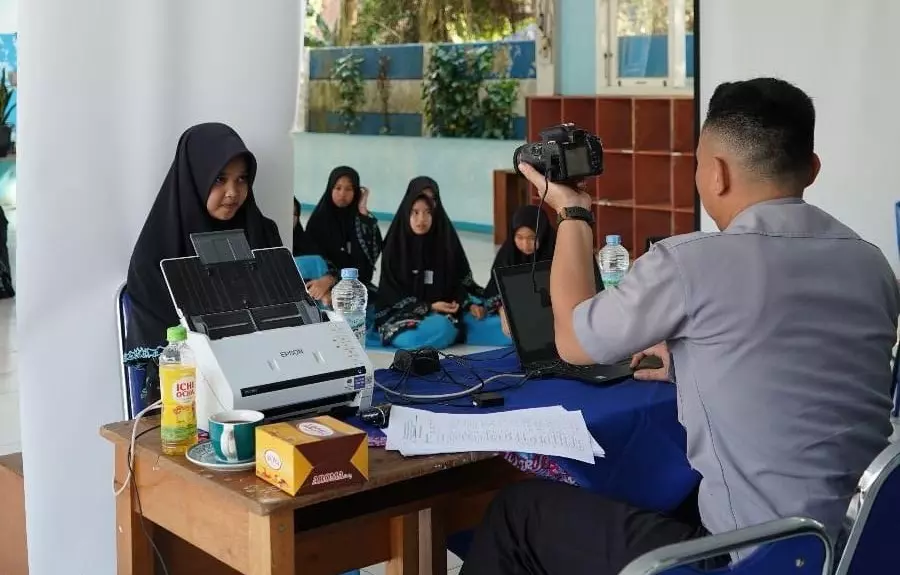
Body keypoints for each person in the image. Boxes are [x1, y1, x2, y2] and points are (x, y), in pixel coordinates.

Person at [461, 78, 899, 575]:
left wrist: (573, 212)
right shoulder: (871, 264)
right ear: (812, 169)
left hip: (761, 557)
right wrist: (696, 361)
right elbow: (808, 360)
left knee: (517, 516)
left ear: (716, 174)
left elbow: (576, 340)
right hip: (861, 550)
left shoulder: (692, 263)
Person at [124, 122, 281, 364]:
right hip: (188, 383)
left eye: (242, 179)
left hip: (266, 370)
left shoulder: (262, 234)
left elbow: (283, 316)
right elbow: (160, 352)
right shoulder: (157, 254)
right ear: (194, 178)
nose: (232, 192)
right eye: (220, 179)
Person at [374, 187, 472, 349]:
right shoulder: (395, 246)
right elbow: (390, 292)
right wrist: (428, 307)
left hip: (437, 316)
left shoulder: (441, 245)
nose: (422, 219)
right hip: (400, 316)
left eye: (428, 213)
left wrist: (455, 303)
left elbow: (454, 283)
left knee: (444, 325)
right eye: (415, 212)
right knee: (413, 338)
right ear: (407, 214)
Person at [384, 176, 483, 305]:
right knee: (440, 325)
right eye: (421, 197)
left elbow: (457, 280)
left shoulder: (445, 235)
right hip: (410, 312)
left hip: (447, 304)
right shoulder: (396, 242)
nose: (426, 202)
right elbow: (392, 293)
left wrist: (464, 303)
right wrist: (429, 307)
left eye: (432, 199)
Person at [304, 166, 383, 301]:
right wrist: (329, 283)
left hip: (357, 288)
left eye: (349, 189)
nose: (343, 193)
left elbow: (367, 262)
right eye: (338, 188)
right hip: (321, 288)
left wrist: (363, 212)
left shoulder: (361, 223)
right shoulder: (318, 222)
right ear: (330, 189)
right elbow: (312, 262)